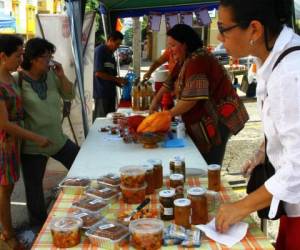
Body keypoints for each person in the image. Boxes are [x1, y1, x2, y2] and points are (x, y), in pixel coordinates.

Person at [215, 1, 300, 249]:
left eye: (223, 28)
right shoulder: (272, 59)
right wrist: (265, 151)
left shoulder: (290, 73)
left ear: (254, 29)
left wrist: (241, 207)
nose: (220, 38)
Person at [149, 24, 249, 165]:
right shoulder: (186, 58)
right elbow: (169, 82)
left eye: (172, 46)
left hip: (218, 117)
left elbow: (191, 100)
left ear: (185, 44)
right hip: (203, 118)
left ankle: (211, 184)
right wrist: (155, 101)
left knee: (209, 163)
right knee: (201, 159)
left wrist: (165, 115)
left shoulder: (198, 60)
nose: (170, 51)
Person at [17, 38, 80, 226]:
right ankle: (39, 227)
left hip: (57, 139)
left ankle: (84, 206)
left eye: (51, 56)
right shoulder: (17, 80)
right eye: (46, 57)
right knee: (34, 191)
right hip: (33, 146)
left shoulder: (52, 75)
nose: (50, 60)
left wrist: (61, 75)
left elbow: (70, 94)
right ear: (34, 59)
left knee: (80, 166)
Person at [0, 35, 50, 249]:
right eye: (18, 55)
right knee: (5, 190)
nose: (22, 59)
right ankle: (8, 234)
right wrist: (36, 138)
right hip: (5, 144)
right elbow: (5, 124)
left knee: (8, 188)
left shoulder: (12, 77)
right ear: (3, 56)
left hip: (16, 143)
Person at [93, 31, 127, 119]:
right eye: (117, 44)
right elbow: (98, 73)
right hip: (101, 94)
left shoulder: (111, 55)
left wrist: (122, 84)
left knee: (110, 120)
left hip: (111, 94)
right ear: (110, 40)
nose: (118, 47)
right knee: (101, 120)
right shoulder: (100, 51)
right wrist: (117, 80)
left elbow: (112, 77)